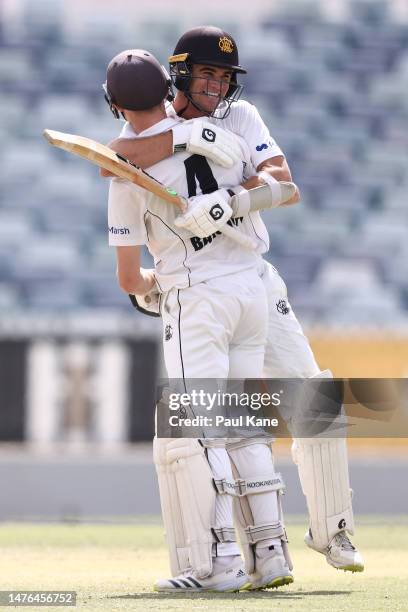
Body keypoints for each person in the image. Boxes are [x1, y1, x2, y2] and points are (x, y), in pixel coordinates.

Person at [106, 26, 364, 574]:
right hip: (206, 289)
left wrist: (227, 202)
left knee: (313, 396)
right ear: (179, 74)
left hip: (256, 283)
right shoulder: (161, 124)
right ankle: (256, 554)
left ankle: (333, 530)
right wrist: (187, 139)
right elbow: (113, 158)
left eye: (225, 77)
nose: (218, 86)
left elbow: (285, 184)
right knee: (228, 421)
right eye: (207, 74)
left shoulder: (243, 119)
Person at [105, 48, 295, 593]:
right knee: (243, 425)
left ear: (114, 103)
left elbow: (129, 280)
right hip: (249, 289)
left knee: (203, 430)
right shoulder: (223, 138)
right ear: (171, 89)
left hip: (197, 300)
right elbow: (272, 184)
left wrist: (151, 292)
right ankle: (272, 552)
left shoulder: (126, 175)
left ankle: (222, 563)